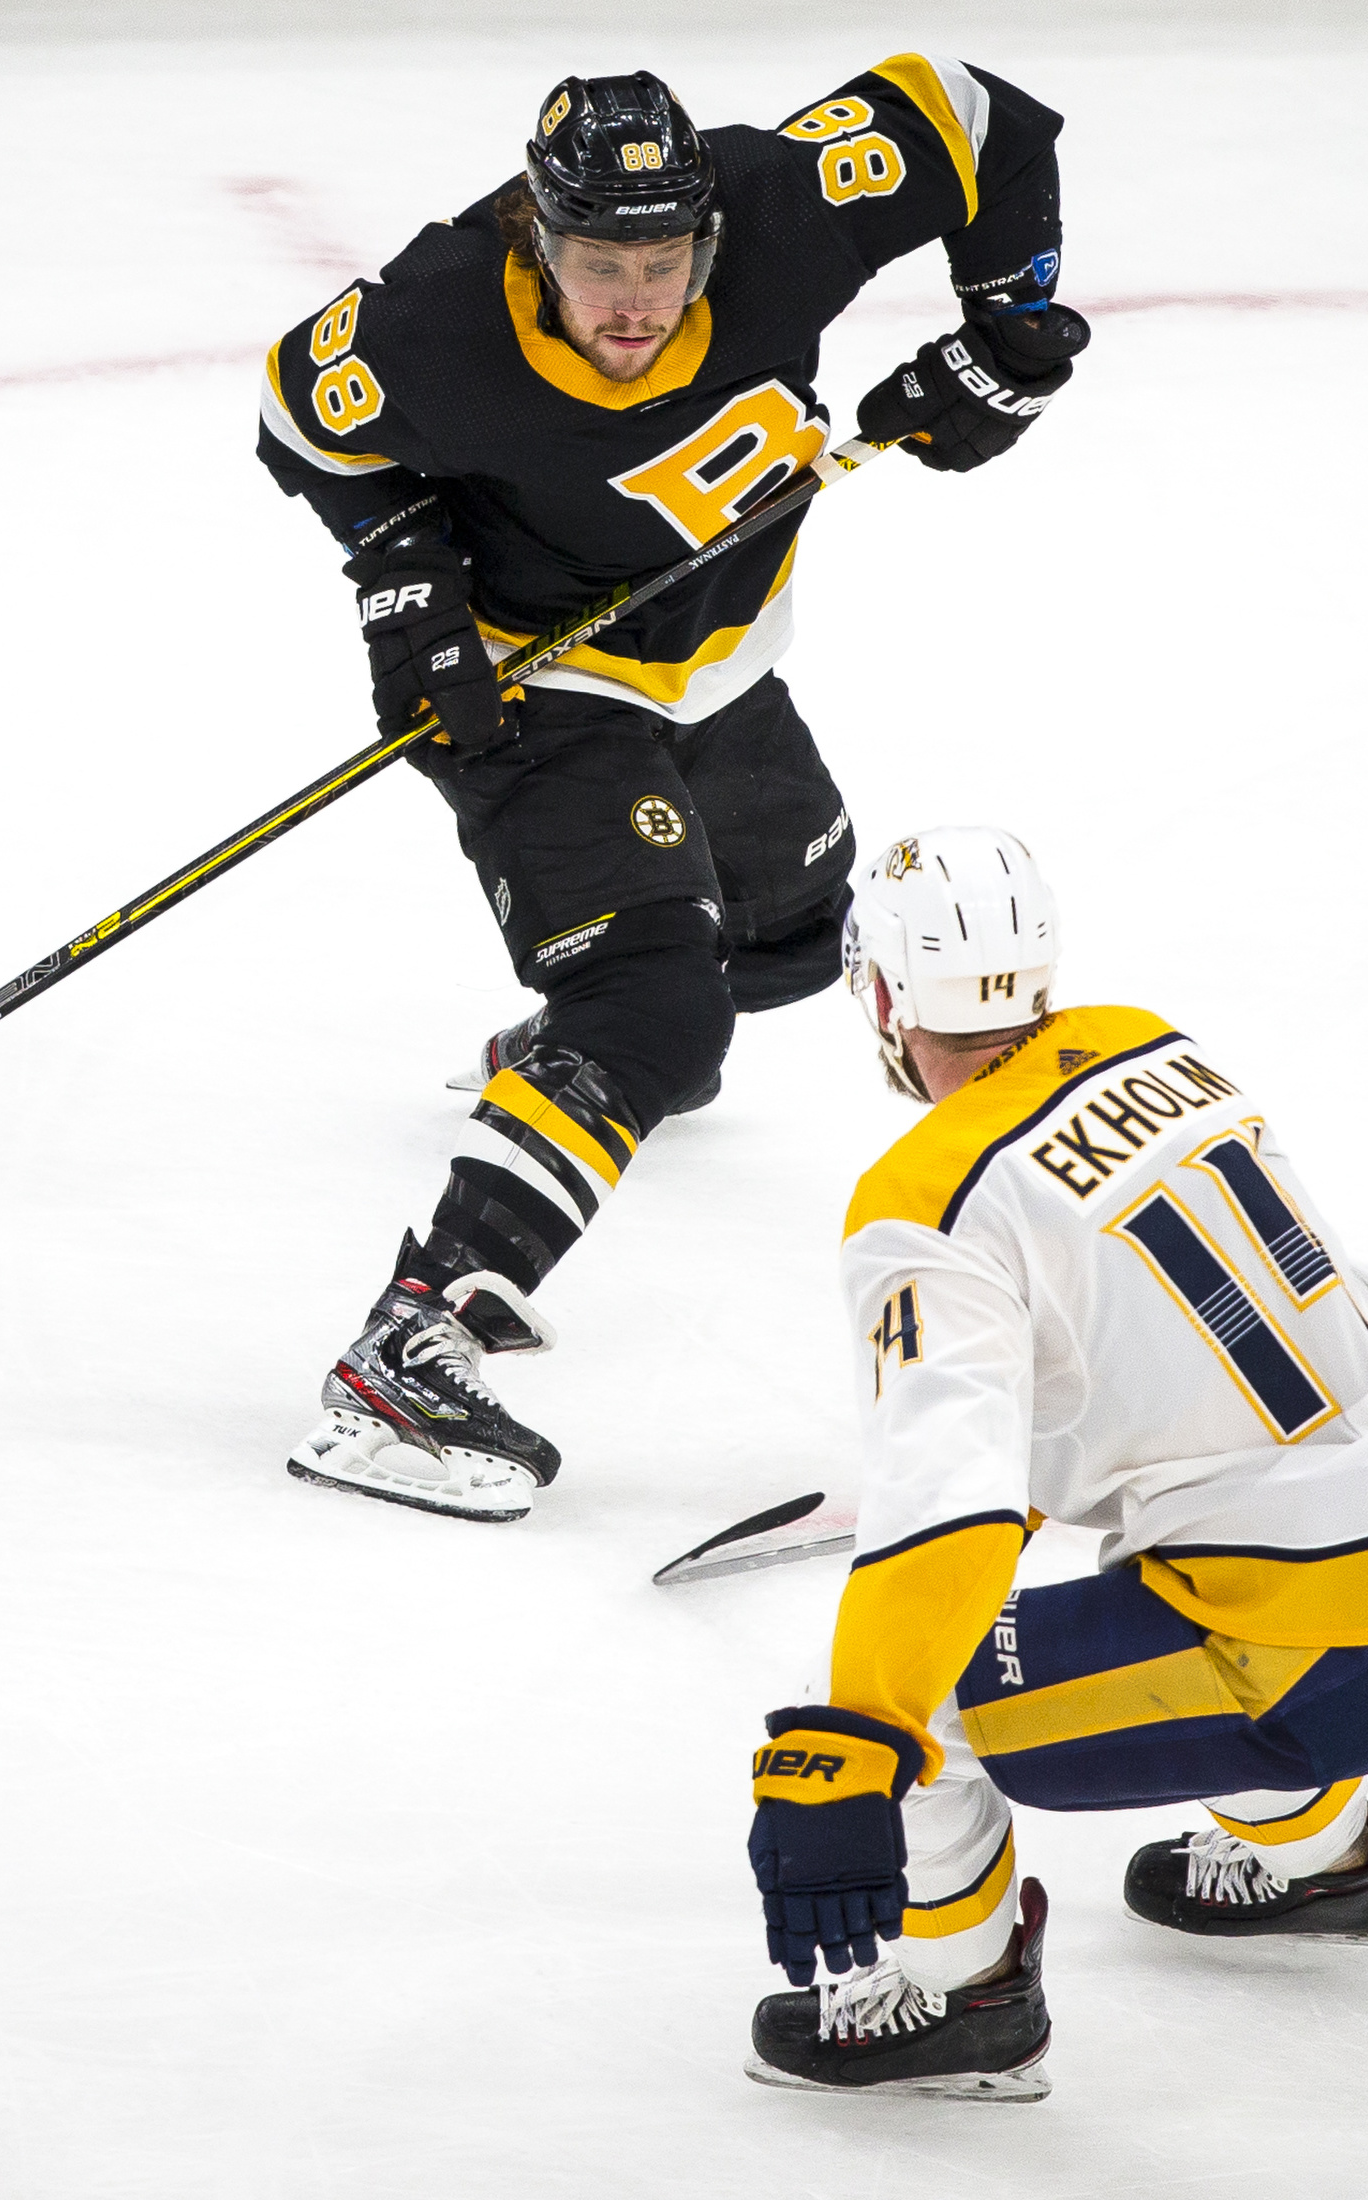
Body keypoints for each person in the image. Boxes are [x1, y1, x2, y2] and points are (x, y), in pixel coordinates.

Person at [255, 63, 1090, 1524]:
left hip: (713, 664)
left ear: (707, 235)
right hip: (521, 680)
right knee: (661, 1006)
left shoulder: (780, 203)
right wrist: (405, 584)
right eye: (596, 267)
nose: (633, 304)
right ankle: (403, 1349)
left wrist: (1005, 331)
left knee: (781, 949)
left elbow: (978, 116)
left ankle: (568, 1060)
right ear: (536, 235)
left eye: (662, 265)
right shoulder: (436, 316)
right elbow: (299, 418)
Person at [738, 830, 1368, 2101]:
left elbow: (945, 1521)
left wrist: (856, 1734)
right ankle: (1317, 1858)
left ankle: (965, 1997)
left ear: (887, 996)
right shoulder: (1141, 1038)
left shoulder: (922, 1204)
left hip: (1333, 1645)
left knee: (899, 1694)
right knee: (1197, 1540)